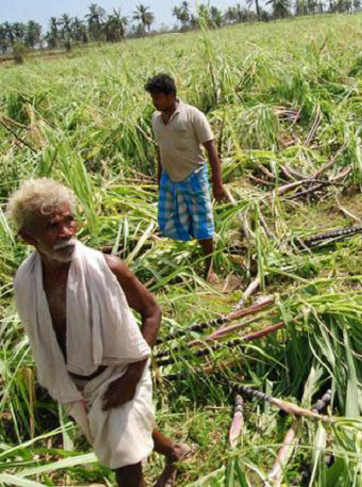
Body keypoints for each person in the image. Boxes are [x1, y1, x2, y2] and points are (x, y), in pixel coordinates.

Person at [9, 178, 190, 487]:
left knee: (125, 460)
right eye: (52, 226)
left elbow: (152, 312)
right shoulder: (27, 281)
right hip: (76, 385)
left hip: (120, 373)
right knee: (122, 430)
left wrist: (133, 374)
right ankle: (174, 451)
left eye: (69, 221)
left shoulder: (107, 268)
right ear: (28, 236)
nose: (66, 233)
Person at [145, 72, 226, 285]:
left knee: (202, 223)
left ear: (171, 95)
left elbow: (211, 150)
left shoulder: (193, 116)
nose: (155, 102)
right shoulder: (156, 119)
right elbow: (161, 148)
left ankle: (210, 267)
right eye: (153, 98)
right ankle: (193, 254)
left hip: (194, 176)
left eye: (158, 97)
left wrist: (217, 183)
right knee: (171, 219)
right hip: (170, 178)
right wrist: (159, 175)